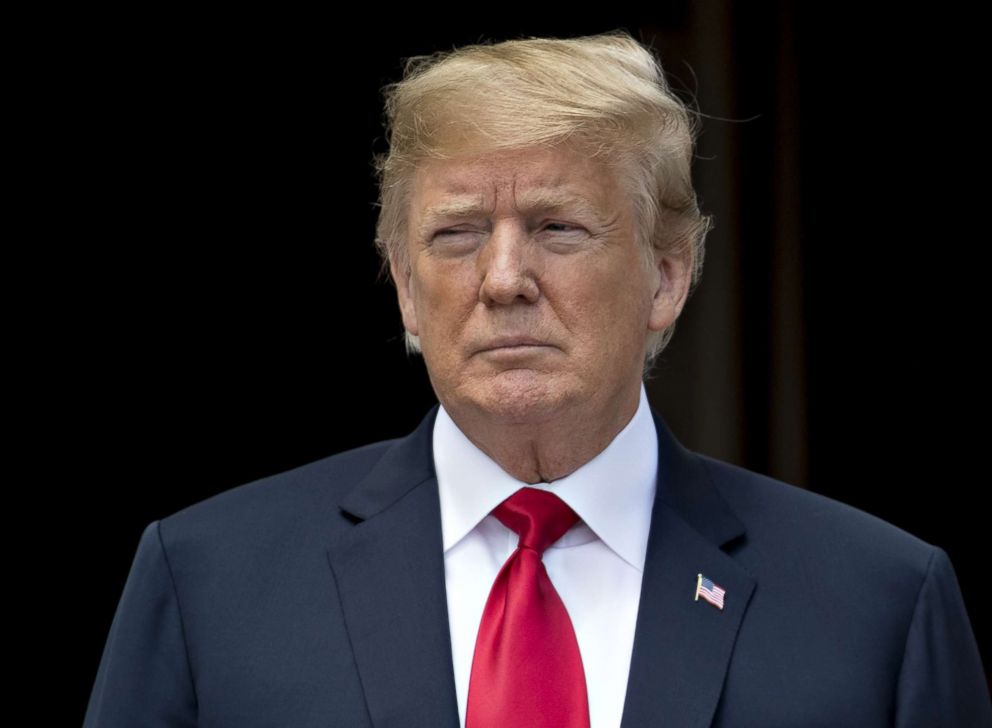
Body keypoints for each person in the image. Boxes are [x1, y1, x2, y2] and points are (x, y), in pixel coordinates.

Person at [84, 31, 990, 727]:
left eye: (558, 228)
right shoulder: (208, 584)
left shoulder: (878, 607)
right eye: (456, 234)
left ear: (667, 275)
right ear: (403, 285)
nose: (504, 278)